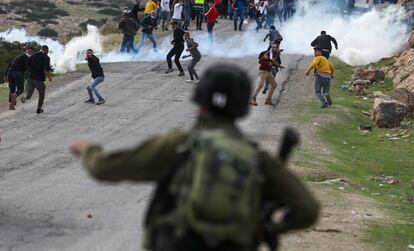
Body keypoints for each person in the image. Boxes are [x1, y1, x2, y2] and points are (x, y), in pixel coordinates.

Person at [71, 64, 319, 251]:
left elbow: (103, 168)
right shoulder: (257, 158)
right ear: (241, 108)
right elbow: (307, 210)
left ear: (199, 102)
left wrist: (86, 149)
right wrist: (267, 230)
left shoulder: (178, 145)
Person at [22, 45, 52, 114]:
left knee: (29, 94)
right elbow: (46, 70)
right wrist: (49, 77)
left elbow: (27, 65)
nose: (48, 52)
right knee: (41, 94)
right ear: (46, 50)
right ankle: (39, 109)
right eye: (48, 51)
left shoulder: (33, 55)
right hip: (39, 79)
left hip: (30, 78)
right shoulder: (46, 57)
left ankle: (25, 97)